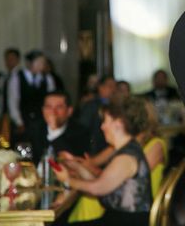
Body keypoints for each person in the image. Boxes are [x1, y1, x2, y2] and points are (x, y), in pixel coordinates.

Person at [55, 97, 153, 226]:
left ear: (118, 124)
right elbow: (103, 183)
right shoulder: (128, 149)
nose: (102, 127)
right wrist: (77, 167)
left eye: (105, 121)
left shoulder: (126, 157)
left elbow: (97, 188)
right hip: (119, 219)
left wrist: (67, 180)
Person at [8, 50, 57, 139]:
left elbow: (52, 98)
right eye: (38, 62)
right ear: (29, 63)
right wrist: (19, 122)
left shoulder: (47, 78)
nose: (41, 65)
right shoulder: (17, 77)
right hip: (23, 120)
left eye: (43, 62)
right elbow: (13, 101)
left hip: (41, 121)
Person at [29, 91, 88, 164]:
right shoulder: (34, 129)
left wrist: (55, 131)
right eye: (48, 107)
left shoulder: (81, 132)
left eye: (59, 107)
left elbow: (73, 162)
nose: (53, 112)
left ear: (69, 111)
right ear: (43, 110)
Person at [78, 75, 117, 154]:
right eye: (110, 86)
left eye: (115, 86)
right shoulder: (91, 105)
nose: (114, 89)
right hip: (96, 150)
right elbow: (83, 127)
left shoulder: (116, 105)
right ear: (100, 87)